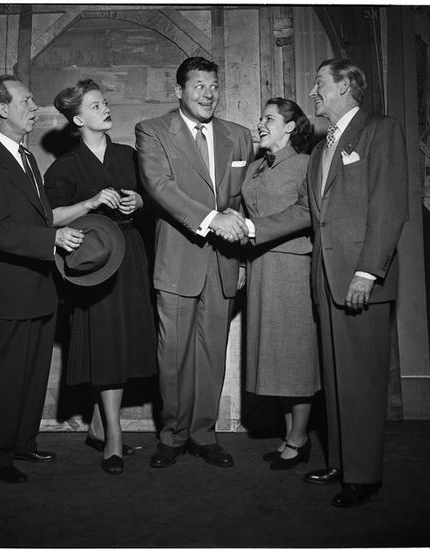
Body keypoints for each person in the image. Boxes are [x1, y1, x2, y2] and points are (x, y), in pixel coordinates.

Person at [252, 59, 408, 506]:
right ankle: (341, 462)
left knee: (361, 381)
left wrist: (368, 271)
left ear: (345, 85)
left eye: (320, 83)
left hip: (359, 278)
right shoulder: (322, 148)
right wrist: (251, 228)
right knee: (337, 381)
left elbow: (390, 205)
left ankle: (364, 476)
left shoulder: (380, 130)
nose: (313, 92)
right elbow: (307, 212)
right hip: (324, 279)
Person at [135, 56, 254, 469]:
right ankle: (173, 435)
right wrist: (211, 219)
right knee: (173, 356)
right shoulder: (152, 131)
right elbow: (159, 186)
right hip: (177, 261)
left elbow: (243, 201)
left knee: (212, 355)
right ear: (179, 91)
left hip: (224, 263)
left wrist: (243, 261)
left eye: (214, 86)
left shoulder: (239, 136)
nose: (208, 94)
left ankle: (204, 434)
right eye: (199, 85)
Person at [0, 75, 84, 484]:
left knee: (33, 372)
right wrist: (52, 239)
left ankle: (22, 443)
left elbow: (39, 216)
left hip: (39, 283)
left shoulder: (27, 156)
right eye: (26, 101)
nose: (34, 107)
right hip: (9, 287)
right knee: (7, 376)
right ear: (2, 109)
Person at [44, 79, 157, 475]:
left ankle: (97, 425)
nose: (106, 109)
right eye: (95, 106)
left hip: (132, 256)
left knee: (124, 342)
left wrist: (140, 200)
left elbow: (155, 199)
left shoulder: (128, 155)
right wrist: (91, 202)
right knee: (106, 344)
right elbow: (50, 217)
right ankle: (114, 436)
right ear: (78, 119)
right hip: (94, 262)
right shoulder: (65, 167)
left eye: (105, 103)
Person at [242, 98, 320, 470]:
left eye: (269, 118)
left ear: (289, 127)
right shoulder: (255, 167)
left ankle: (299, 436)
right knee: (275, 356)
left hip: (291, 266)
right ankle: (291, 434)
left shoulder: (306, 164)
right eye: (261, 117)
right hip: (260, 267)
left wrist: (255, 229)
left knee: (295, 356)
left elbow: (307, 212)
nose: (261, 123)